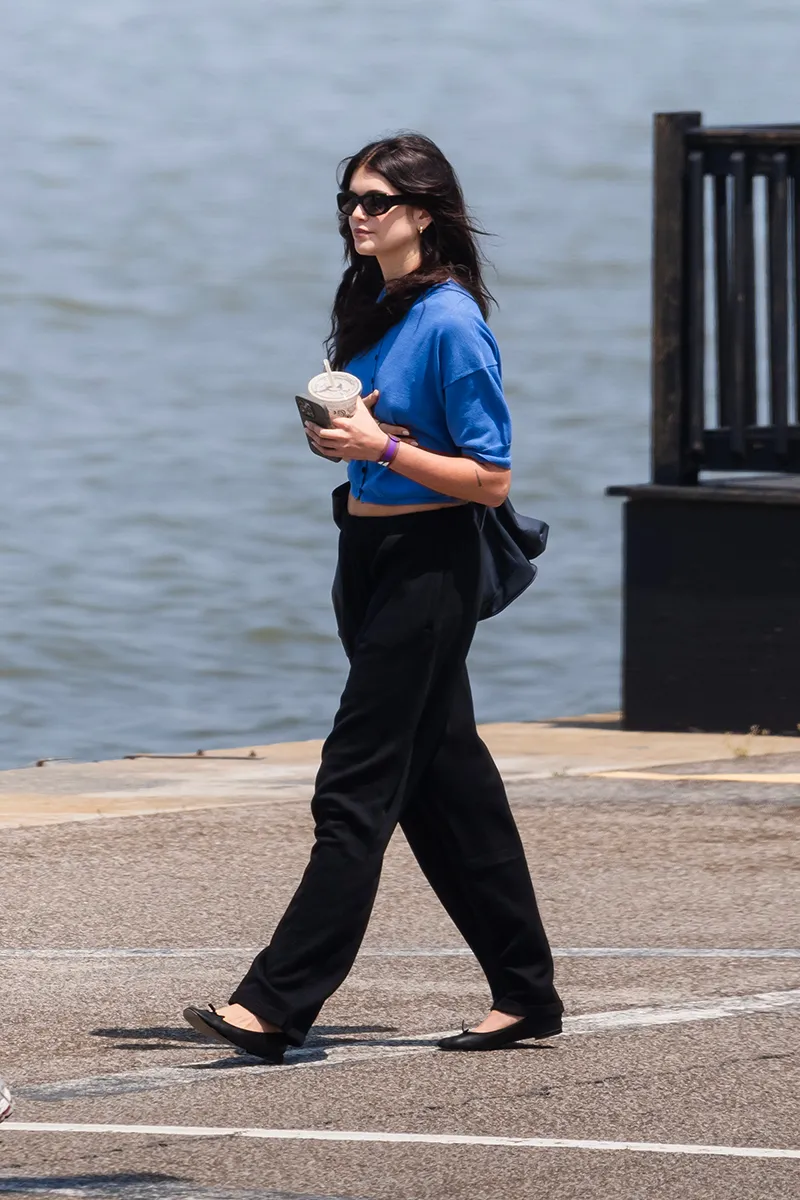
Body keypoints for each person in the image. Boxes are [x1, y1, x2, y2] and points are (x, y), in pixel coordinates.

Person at [184, 132, 562, 1061]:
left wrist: (381, 450)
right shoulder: (379, 303)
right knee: (447, 787)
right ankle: (526, 992)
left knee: (353, 789)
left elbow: (491, 479)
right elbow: (380, 434)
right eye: (351, 200)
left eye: (378, 201)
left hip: (430, 568)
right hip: (370, 555)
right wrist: (344, 444)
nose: (358, 215)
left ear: (424, 215)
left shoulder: (452, 323)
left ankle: (275, 1004)